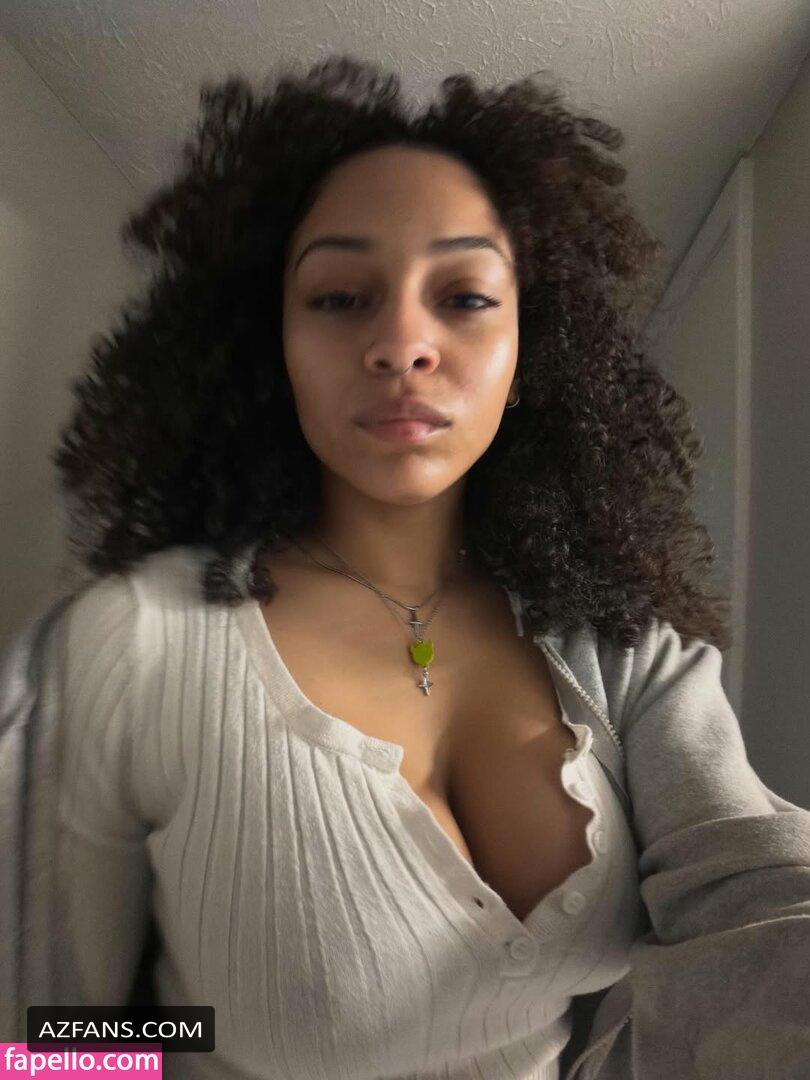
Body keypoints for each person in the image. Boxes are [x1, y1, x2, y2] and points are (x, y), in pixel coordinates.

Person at [3, 53, 809, 1080]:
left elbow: (759, 891)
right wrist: (205, 1036)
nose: (401, 343)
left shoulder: (623, 649)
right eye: (341, 297)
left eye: (465, 296)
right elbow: (41, 1041)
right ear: (269, 347)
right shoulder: (131, 645)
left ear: (530, 351)